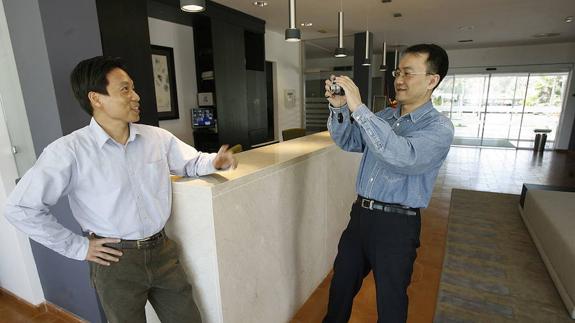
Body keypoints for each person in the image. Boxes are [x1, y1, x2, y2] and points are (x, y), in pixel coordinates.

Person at [4, 56, 237, 323]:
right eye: (125, 89)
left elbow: (191, 163)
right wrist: (78, 247)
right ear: (96, 98)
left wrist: (214, 161)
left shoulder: (155, 137)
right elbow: (20, 207)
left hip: (162, 250)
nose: (136, 96)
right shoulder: (68, 151)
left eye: (133, 88)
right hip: (115, 262)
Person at [323, 44, 454, 323]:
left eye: (408, 73)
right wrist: (339, 108)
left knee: (390, 302)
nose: (398, 79)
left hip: (397, 226)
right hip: (360, 217)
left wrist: (358, 107)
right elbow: (350, 141)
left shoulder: (439, 128)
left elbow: (402, 157)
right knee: (340, 290)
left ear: (433, 80)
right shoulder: (384, 118)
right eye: (398, 71)